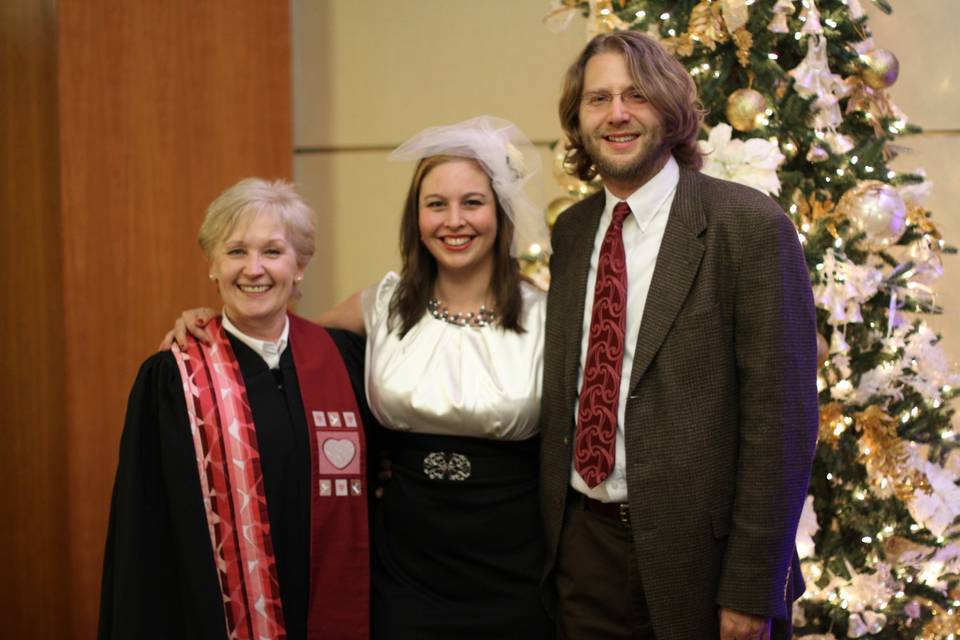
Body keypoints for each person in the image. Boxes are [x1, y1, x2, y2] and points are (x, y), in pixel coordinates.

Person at [163, 117, 554, 639]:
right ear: (416, 218)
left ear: (500, 213)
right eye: (435, 204)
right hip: (406, 569)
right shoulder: (384, 304)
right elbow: (279, 336)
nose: (453, 220)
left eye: (472, 203)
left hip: (515, 564)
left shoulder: (550, 314)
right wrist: (209, 322)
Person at [539, 31, 819, 640]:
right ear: (578, 118)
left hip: (705, 564)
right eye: (598, 99)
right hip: (582, 552)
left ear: (669, 108)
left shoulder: (746, 226)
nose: (616, 114)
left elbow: (784, 423)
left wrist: (750, 587)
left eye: (636, 95)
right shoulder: (573, 232)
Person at [99, 178, 374, 640]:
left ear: (300, 265)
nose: (254, 269)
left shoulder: (344, 360)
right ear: (212, 264)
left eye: (272, 251)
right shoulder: (175, 378)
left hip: (330, 609)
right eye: (236, 252)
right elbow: (142, 532)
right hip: (212, 618)